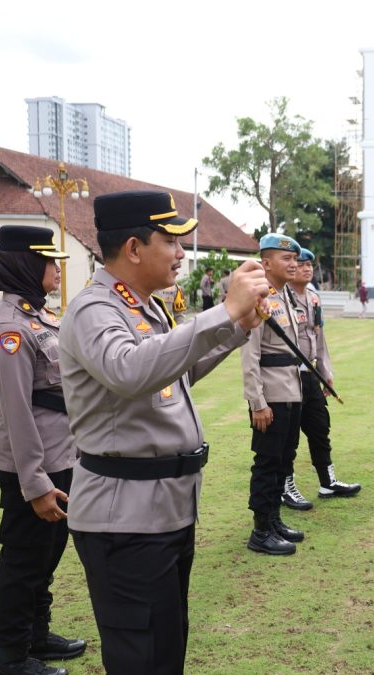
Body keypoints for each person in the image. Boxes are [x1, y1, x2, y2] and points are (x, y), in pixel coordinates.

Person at [59, 190, 269, 674]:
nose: (181, 254)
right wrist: (221, 313)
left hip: (162, 511)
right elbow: (131, 370)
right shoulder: (95, 310)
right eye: (171, 242)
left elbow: (173, 375)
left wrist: (237, 327)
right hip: (125, 520)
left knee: (164, 650)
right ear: (134, 248)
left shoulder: (145, 307)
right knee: (142, 659)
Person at [0, 226, 85, 675]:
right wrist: (36, 483)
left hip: (59, 454)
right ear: (25, 263)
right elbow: (18, 411)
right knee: (24, 558)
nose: (57, 268)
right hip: (30, 462)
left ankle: (36, 636)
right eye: (48, 260)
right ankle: (11, 658)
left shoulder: (39, 317)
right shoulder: (9, 329)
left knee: (50, 549)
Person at [241, 233, 307, 553]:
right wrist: (257, 402)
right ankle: (260, 530)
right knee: (267, 462)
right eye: (286, 259)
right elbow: (249, 354)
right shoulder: (259, 298)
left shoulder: (284, 296)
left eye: (294, 259)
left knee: (284, 459)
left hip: (290, 390)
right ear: (266, 263)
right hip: (271, 394)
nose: (293, 263)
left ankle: (275, 519)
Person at [282, 247, 361, 509]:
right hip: (287, 376)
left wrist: (326, 374)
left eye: (309, 265)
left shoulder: (314, 298)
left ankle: (327, 481)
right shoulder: (281, 297)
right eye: (301, 264)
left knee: (319, 428)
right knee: (289, 435)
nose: (306, 268)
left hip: (311, 375)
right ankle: (286, 486)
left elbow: (320, 338)